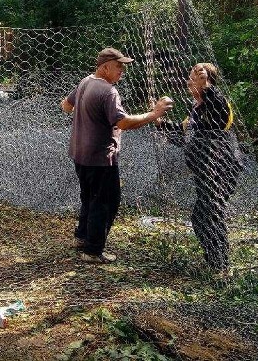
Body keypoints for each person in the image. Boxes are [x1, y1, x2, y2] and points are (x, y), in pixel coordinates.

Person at [60, 48, 174, 264]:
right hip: (101, 158)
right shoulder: (108, 91)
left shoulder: (86, 81)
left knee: (89, 197)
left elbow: (65, 106)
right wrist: (155, 114)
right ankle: (93, 251)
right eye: (118, 66)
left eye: (123, 66)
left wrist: (86, 116)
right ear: (105, 67)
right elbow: (123, 123)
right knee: (106, 202)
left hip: (79, 154)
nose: (122, 70)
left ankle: (83, 237)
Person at [156, 63, 242, 272]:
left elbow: (217, 106)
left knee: (211, 213)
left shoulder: (215, 104)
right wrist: (159, 123)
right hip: (205, 169)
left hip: (219, 169)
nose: (188, 82)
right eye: (190, 78)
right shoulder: (196, 109)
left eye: (193, 79)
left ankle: (221, 267)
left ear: (206, 82)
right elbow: (184, 131)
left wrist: (207, 86)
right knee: (202, 216)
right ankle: (216, 262)